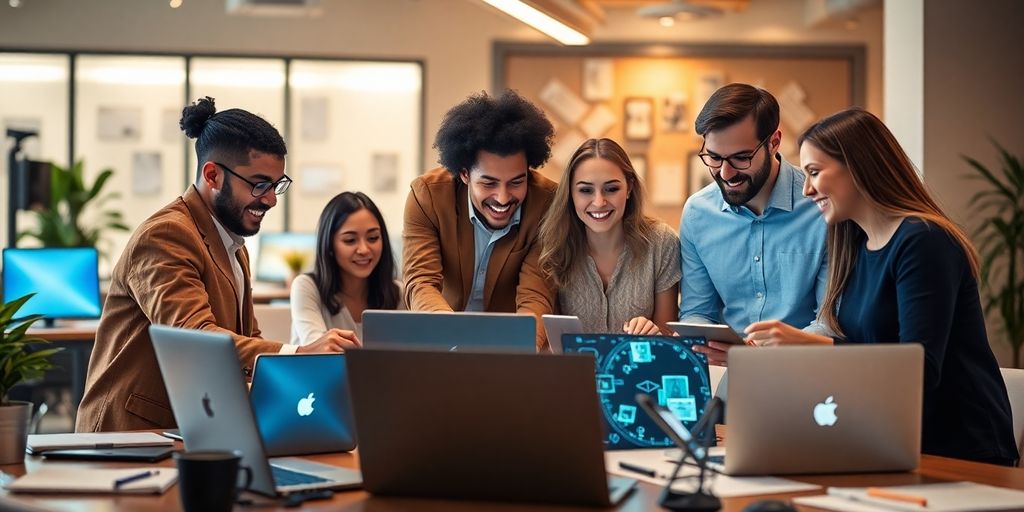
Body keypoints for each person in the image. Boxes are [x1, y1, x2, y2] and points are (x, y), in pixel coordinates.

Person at [744, 107, 1018, 465]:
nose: (807, 189)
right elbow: (870, 348)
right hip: (891, 440)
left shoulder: (923, 241)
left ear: (858, 167)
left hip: (959, 450)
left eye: (814, 172)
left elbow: (917, 369)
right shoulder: (854, 245)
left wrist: (810, 345)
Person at [76, 97, 357, 432]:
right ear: (212, 175)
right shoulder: (166, 235)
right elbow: (196, 339)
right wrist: (299, 355)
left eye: (276, 185)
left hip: (190, 428)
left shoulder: (234, 245)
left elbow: (247, 336)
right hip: (128, 437)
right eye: (259, 184)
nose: (269, 199)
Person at [680, 83, 827, 365]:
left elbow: (829, 321)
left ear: (774, 142)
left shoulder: (820, 207)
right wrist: (698, 340)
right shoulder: (698, 213)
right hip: (726, 372)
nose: (725, 173)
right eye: (713, 157)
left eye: (741, 157)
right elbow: (698, 311)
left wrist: (761, 356)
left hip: (806, 370)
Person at [402, 90, 558, 349]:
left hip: (510, 346)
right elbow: (421, 281)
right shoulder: (427, 196)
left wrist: (519, 351)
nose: (503, 197)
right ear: (464, 174)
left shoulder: (547, 204)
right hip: (442, 340)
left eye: (517, 182)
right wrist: (452, 336)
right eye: (489, 183)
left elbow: (536, 296)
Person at [538, 138, 679, 336]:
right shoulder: (553, 245)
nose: (599, 202)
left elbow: (669, 338)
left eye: (611, 189)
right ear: (570, 193)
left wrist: (653, 334)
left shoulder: (662, 243)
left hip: (640, 366)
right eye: (585, 190)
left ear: (629, 188)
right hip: (576, 367)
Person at [290, 191, 404, 344]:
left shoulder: (398, 293)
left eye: (373, 238)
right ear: (330, 245)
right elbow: (318, 350)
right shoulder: (307, 287)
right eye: (350, 240)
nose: (364, 249)